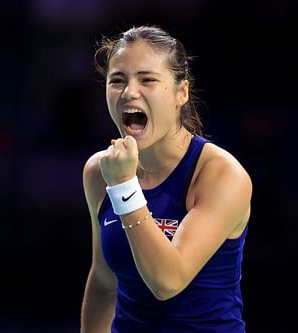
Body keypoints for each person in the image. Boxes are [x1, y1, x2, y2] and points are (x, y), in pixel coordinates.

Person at [80, 25, 252, 333]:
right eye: (117, 80)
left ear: (181, 92)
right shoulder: (99, 172)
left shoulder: (222, 175)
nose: (129, 92)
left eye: (147, 79)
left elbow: (168, 281)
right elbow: (105, 283)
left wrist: (124, 187)